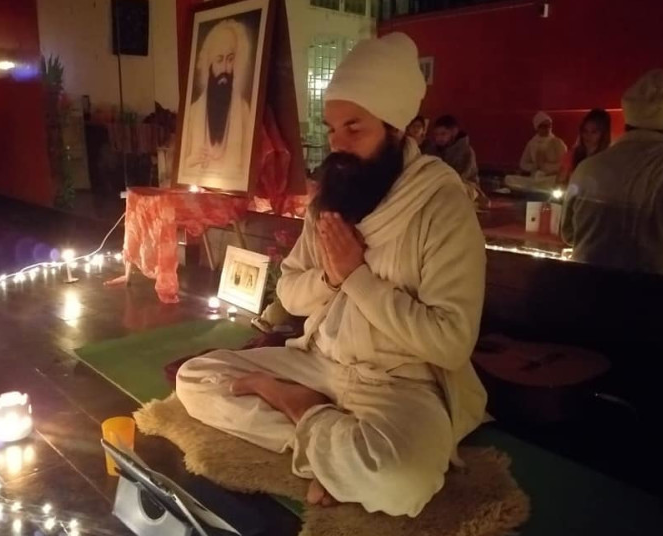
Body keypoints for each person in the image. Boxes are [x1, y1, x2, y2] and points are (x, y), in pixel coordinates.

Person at [176, 33, 487, 517]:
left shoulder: (442, 205)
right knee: (195, 378)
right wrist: (331, 280)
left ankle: (301, 411)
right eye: (331, 128)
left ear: (399, 130)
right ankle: (326, 439)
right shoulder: (334, 196)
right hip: (319, 363)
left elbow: (450, 344)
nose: (337, 144)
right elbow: (290, 293)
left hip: (398, 383)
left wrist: (357, 276)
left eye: (354, 128)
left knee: (404, 480)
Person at [561, 69, 663, 276]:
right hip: (654, 294)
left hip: (584, 287)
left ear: (627, 122)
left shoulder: (587, 167)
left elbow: (569, 234)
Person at [182, 19, 252, 176]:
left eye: (230, 59)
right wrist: (191, 161)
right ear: (209, 64)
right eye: (219, 60)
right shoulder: (192, 113)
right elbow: (182, 168)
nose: (225, 68)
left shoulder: (244, 112)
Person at [424, 115, 485, 203]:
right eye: (436, 134)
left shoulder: (466, 151)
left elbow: (463, 176)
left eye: (443, 134)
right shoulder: (432, 150)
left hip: (464, 186)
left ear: (454, 132)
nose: (439, 138)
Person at [506, 111, 567, 192]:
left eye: (549, 126)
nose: (547, 129)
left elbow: (564, 164)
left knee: (554, 181)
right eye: (544, 126)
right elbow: (523, 163)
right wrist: (534, 167)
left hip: (550, 178)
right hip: (535, 177)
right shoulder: (532, 143)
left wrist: (545, 167)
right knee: (509, 179)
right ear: (537, 127)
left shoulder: (557, 142)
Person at [558, 109, 612, 184]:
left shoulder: (609, 157)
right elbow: (560, 182)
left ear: (603, 134)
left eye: (594, 132)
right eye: (585, 131)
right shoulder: (572, 155)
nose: (588, 136)